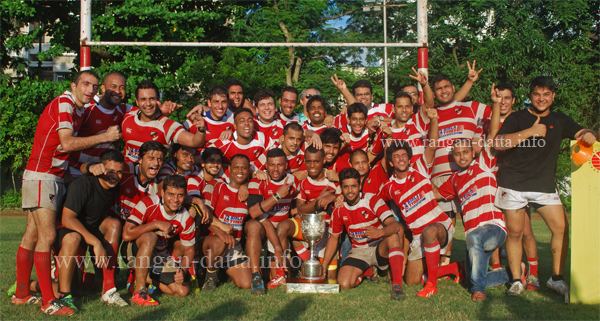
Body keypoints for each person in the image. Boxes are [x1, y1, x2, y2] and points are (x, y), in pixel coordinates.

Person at [15, 70, 120, 316]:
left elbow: (67, 153)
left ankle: (21, 294)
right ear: (73, 85)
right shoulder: (65, 103)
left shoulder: (79, 110)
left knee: (31, 235)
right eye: (85, 84)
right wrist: (105, 136)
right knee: (48, 236)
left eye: (94, 86)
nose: (90, 90)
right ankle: (49, 301)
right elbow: (67, 143)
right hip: (43, 176)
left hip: (50, 175)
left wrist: (87, 166)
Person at [493, 76, 597, 296]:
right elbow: (498, 143)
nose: (541, 98)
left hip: (543, 185)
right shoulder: (517, 117)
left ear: (553, 96)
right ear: (530, 96)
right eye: (537, 94)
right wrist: (530, 132)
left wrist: (588, 134)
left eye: (546, 94)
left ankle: (555, 278)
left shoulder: (560, 120)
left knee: (561, 228)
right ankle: (515, 280)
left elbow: (581, 132)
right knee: (515, 233)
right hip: (513, 183)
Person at [433, 86, 508, 301]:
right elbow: (435, 193)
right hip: (472, 235)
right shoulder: (455, 180)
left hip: (493, 228)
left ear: (471, 152)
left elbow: (492, 133)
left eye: (465, 152)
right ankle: (511, 273)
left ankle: (479, 291)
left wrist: (494, 104)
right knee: (471, 273)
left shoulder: (483, 163)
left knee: (475, 238)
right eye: (457, 154)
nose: (462, 157)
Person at [377, 141, 460, 298]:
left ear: (409, 158)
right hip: (417, 236)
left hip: (440, 225)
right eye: (396, 157)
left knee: (429, 231)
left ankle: (431, 286)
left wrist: (434, 118)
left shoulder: (420, 168)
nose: (401, 159)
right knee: (411, 281)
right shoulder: (389, 187)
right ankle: (453, 268)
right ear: (390, 162)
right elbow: (376, 200)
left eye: (403, 155)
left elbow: (432, 145)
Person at [56, 150, 129, 311]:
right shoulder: (83, 184)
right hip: (68, 233)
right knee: (73, 240)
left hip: (89, 230)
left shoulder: (114, 187)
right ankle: (62, 294)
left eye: (119, 172)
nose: (115, 176)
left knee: (114, 224)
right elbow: (67, 219)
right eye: (111, 171)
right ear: (101, 169)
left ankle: (108, 288)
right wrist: (95, 242)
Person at [322, 168, 406, 300]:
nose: (350, 191)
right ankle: (368, 271)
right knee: (344, 284)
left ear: (360, 185)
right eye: (346, 187)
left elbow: (395, 225)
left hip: (379, 247)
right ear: (341, 188)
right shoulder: (339, 210)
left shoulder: (372, 200)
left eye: (354, 186)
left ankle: (397, 285)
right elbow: (334, 238)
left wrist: (380, 232)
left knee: (392, 236)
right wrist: (324, 264)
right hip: (359, 251)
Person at [122, 175, 197, 306]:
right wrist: (155, 224)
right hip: (133, 248)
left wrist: (183, 270)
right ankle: (140, 292)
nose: (175, 199)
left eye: (180, 195)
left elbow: (189, 248)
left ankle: (146, 277)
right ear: (162, 192)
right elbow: (127, 234)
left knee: (182, 291)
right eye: (171, 194)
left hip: (160, 255)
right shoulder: (148, 203)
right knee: (151, 237)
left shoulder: (185, 217)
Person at [276, 146, 340, 281]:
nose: (312, 166)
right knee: (284, 227)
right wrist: (317, 202)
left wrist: (334, 197)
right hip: (308, 226)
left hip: (328, 230)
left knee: (330, 278)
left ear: (323, 160)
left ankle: (315, 263)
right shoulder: (304, 183)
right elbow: (301, 210)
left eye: (316, 161)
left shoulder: (334, 181)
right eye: (308, 161)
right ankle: (284, 271)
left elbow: (344, 200)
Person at [201, 155, 261, 294]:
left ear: (249, 171)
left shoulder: (250, 192)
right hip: (213, 241)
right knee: (220, 243)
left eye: (244, 168)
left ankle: (223, 273)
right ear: (229, 169)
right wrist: (220, 232)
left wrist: (245, 186)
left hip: (234, 246)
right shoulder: (216, 186)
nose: (240, 171)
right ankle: (210, 278)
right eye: (236, 167)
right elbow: (204, 218)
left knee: (246, 284)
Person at [247, 148, 299, 289]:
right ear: (266, 166)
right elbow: (253, 213)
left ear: (286, 165)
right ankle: (256, 276)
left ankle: (285, 268)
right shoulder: (257, 181)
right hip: (263, 228)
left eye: (280, 165)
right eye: (271, 165)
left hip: (282, 230)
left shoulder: (292, 181)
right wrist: (277, 196)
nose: (275, 169)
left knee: (278, 278)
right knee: (253, 226)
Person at [121, 80, 205, 163]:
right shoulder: (128, 115)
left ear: (158, 101)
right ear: (137, 102)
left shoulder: (167, 126)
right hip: (126, 173)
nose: (148, 103)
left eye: (152, 99)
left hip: (153, 175)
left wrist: (201, 129)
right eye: (143, 99)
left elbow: (194, 142)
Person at [69, 71, 126, 177]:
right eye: (113, 86)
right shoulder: (87, 109)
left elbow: (144, 110)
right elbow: (68, 142)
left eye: (122, 87)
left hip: (103, 173)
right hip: (77, 172)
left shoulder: (124, 110)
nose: (118, 91)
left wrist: (160, 110)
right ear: (103, 88)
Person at [211, 108, 271, 172]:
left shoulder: (261, 138)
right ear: (235, 126)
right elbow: (205, 154)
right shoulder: (225, 141)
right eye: (242, 121)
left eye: (250, 121)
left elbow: (277, 152)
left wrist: (255, 170)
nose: (246, 124)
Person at [118, 141, 165, 221]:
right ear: (140, 159)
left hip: (132, 228)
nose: (156, 163)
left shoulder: (157, 189)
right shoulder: (125, 170)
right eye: (151, 158)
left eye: (159, 159)